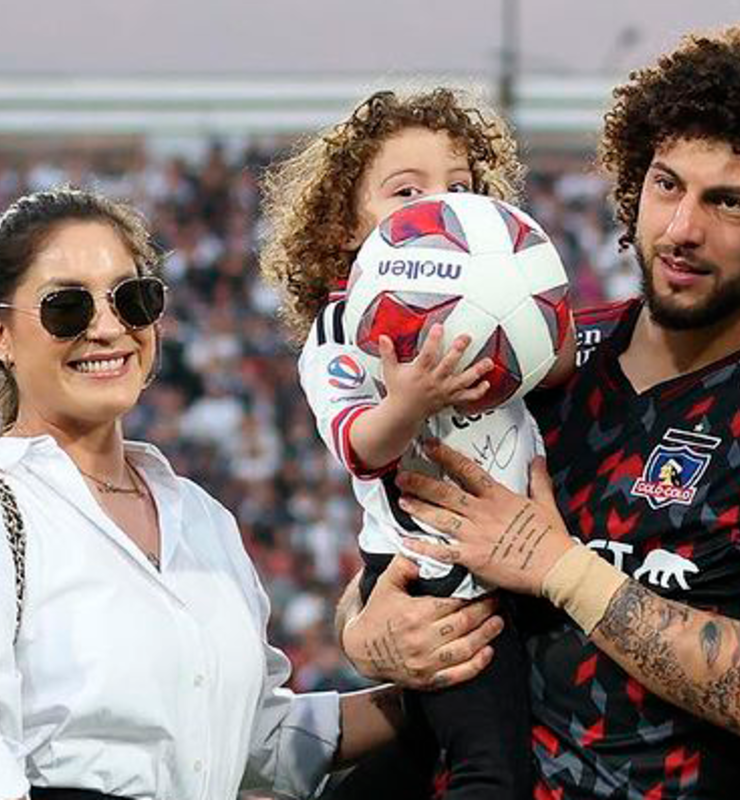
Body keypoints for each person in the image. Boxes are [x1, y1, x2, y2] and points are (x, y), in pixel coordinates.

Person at [339, 27, 740, 799]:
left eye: (729, 203)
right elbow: (410, 540)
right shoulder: (538, 354)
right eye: (667, 184)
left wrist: (559, 566)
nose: (682, 229)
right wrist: (366, 628)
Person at [0, 187, 404, 800]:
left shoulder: (202, 518)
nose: (108, 327)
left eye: (132, 298)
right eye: (67, 307)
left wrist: (437, 695)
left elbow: (254, 740)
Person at [260, 88, 574, 800]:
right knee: (490, 772)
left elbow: (559, 367)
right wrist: (412, 399)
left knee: (421, 751)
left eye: (459, 189)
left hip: (509, 564)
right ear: (347, 223)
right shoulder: (344, 329)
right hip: (435, 583)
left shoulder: (486, 306)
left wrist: (535, 306)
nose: (439, 207)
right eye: (407, 191)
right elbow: (359, 447)